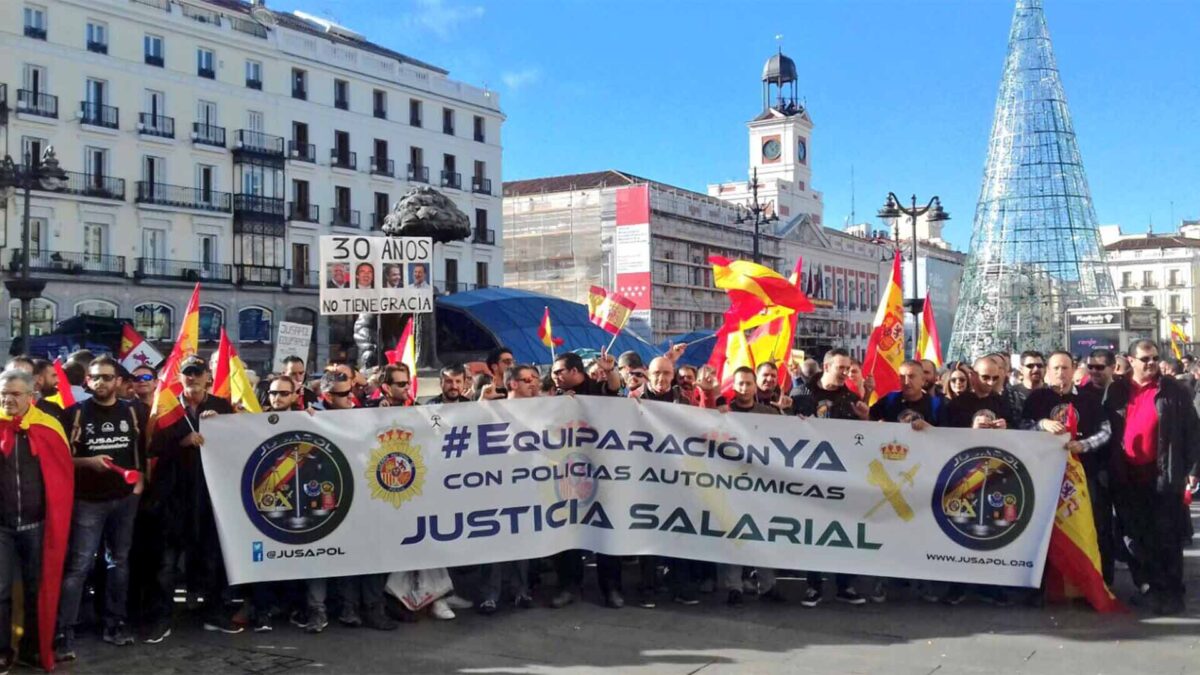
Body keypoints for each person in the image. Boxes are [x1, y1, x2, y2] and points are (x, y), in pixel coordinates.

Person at [55, 357, 144, 661]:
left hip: (125, 499)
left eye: (108, 377)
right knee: (79, 566)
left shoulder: (134, 411)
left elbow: (146, 449)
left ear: (118, 380)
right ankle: (64, 630)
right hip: (87, 501)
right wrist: (87, 463)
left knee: (118, 563)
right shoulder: (74, 414)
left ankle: (115, 623)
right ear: (88, 381)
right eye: (96, 378)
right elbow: (61, 458)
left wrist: (140, 481)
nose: (102, 382)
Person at [143, 355, 237, 643]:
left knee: (211, 558)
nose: (192, 377)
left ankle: (214, 614)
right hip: (174, 496)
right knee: (167, 563)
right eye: (187, 373)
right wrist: (180, 443)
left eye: (197, 372)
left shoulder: (222, 406)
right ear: (180, 377)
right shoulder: (167, 406)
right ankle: (162, 619)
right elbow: (151, 448)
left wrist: (222, 426)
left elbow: (241, 443)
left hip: (211, 495)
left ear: (208, 376)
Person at [1110, 340, 1198, 615]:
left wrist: (1193, 471)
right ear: (1130, 360)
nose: (1151, 364)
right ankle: (1149, 587)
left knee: (1167, 538)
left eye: (1154, 359)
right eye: (1145, 359)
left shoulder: (1174, 391)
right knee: (1136, 536)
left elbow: (1193, 432)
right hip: (1127, 477)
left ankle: (1171, 592)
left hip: (1164, 475)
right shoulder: (1118, 390)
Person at [307, 371, 399, 631]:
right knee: (332, 554)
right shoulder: (310, 416)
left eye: (351, 392)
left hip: (364, 495)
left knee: (367, 551)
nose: (350, 397)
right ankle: (333, 609)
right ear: (326, 396)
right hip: (327, 497)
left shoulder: (360, 413)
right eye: (343, 394)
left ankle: (367, 608)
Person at [0, 368, 73, 672]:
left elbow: (62, 477)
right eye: (3, 394)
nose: (8, 400)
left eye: (15, 394)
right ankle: (3, 651)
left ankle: (33, 648)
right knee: (0, 590)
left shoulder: (48, 426)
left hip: (37, 526)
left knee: (36, 590)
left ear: (31, 396)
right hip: (1, 528)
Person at [1022, 351, 1114, 584]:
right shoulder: (1036, 399)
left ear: (1073, 370)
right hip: (1046, 475)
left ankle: (1096, 580)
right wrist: (1041, 424)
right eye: (1055, 368)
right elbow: (1021, 427)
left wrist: (1083, 445)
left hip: (1084, 474)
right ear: (1048, 371)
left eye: (1064, 368)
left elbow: (1106, 431)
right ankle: (1045, 583)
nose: (1060, 373)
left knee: (1094, 525)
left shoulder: (1089, 398)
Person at [795, 349, 869, 607]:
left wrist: (865, 420)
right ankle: (813, 586)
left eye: (849, 368)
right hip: (810, 474)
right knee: (813, 530)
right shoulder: (802, 394)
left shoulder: (851, 398)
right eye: (841, 368)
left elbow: (861, 439)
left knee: (844, 530)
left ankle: (844, 584)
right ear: (826, 367)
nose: (846, 373)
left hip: (843, 476)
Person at [548, 351, 622, 609]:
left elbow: (614, 389)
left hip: (601, 473)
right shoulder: (553, 396)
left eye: (559, 372)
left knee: (604, 530)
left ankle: (610, 588)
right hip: (567, 475)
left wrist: (610, 370)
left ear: (575, 371)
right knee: (567, 532)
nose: (554, 376)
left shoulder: (596, 390)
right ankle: (568, 585)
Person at [474, 364, 540, 615]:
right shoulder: (495, 406)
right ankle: (489, 595)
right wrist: (481, 404)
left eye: (535, 379)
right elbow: (469, 428)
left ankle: (521, 591)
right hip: (494, 484)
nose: (533, 383)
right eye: (527, 380)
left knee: (522, 541)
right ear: (512, 384)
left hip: (527, 484)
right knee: (493, 541)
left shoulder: (544, 408)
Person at [718, 366, 783, 607]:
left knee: (761, 533)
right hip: (731, 483)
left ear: (755, 386)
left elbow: (790, 437)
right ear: (733, 386)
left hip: (762, 483)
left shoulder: (770, 413)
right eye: (740, 384)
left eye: (748, 383)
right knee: (734, 534)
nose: (744, 388)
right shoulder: (724, 412)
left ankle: (767, 585)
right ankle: (733, 587)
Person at [943, 357, 1015, 430]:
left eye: (995, 378)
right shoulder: (957, 404)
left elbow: (1015, 427)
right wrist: (972, 428)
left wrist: (1005, 427)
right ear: (973, 375)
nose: (991, 382)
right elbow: (949, 433)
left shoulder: (1001, 401)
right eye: (985, 377)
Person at [870, 360, 941, 430]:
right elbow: (867, 419)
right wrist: (867, 393)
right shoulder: (890, 399)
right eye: (902, 377)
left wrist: (928, 428)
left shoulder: (936, 405)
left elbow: (945, 435)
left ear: (922, 380)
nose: (906, 382)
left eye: (911, 376)